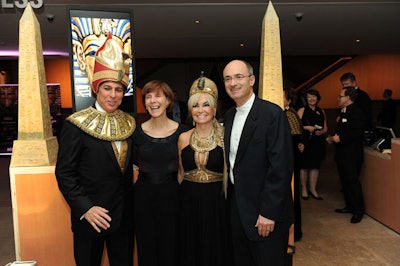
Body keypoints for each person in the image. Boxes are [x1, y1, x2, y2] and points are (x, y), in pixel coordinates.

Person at [55, 33, 135, 265]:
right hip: (91, 217)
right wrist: (86, 208)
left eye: (118, 89)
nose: (113, 95)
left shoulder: (129, 123)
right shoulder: (75, 125)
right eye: (107, 88)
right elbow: (64, 173)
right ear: (96, 89)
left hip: (124, 217)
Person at [223, 59, 294, 265]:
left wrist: (268, 213)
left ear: (252, 80)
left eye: (239, 77)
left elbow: (281, 167)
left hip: (265, 213)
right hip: (238, 209)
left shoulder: (272, 114)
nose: (233, 83)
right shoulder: (228, 116)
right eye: (228, 78)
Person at [132, 80, 187, 266]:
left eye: (158, 95)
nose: (153, 101)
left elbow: (183, 170)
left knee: (172, 249)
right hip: (143, 201)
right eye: (148, 96)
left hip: (173, 200)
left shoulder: (183, 133)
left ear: (168, 100)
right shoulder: (136, 133)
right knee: (147, 250)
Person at [177, 74, 230, 266]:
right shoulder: (183, 137)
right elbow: (181, 173)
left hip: (217, 206)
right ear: (190, 109)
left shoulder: (226, 137)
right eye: (195, 105)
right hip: (188, 204)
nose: (200, 110)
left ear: (214, 108)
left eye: (206, 104)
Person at [326, 86, 366, 223]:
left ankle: (359, 210)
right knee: (344, 182)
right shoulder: (343, 112)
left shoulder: (357, 112)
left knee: (352, 182)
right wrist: (333, 138)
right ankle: (350, 206)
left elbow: (358, 132)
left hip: (352, 154)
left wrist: (341, 138)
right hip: (342, 153)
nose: (338, 98)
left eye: (340, 96)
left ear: (348, 97)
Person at [297, 89, 328, 200]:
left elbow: (325, 128)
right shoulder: (302, 110)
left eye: (313, 97)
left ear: (318, 98)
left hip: (317, 141)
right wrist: (307, 128)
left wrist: (321, 132)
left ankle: (313, 189)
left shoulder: (321, 111)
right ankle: (304, 189)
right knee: (304, 166)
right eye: (309, 97)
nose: (311, 99)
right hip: (305, 141)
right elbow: (297, 126)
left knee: (315, 166)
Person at [284, 87, 304, 242]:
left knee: (292, 194)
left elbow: (296, 138)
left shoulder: (289, 114)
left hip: (291, 160)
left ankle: (295, 232)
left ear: (289, 100)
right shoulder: (285, 113)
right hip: (291, 158)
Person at [340, 73, 373, 144]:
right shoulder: (346, 94)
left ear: (354, 83)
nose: (345, 87)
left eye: (347, 84)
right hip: (350, 133)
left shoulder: (362, 96)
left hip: (360, 132)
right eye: (343, 85)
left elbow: (365, 115)